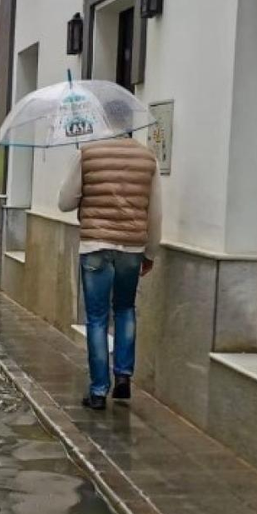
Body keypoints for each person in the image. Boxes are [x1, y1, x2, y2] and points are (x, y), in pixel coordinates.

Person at [58, 131, 161, 410]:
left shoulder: (88, 154)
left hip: (96, 246)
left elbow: (64, 202)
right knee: (125, 309)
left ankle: (98, 390)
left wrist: (85, 194)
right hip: (132, 247)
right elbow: (155, 212)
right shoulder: (147, 158)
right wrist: (150, 252)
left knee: (97, 318)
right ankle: (124, 376)